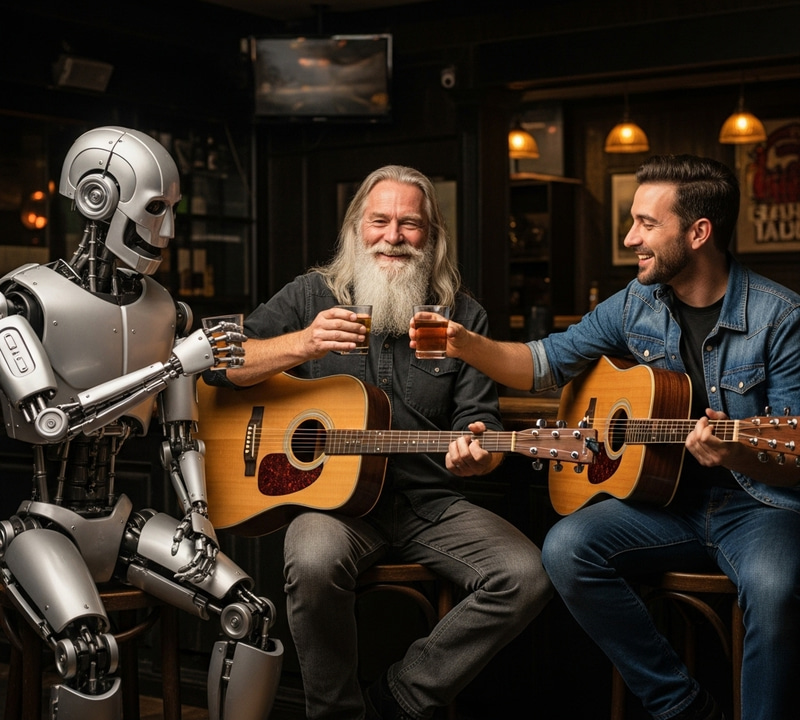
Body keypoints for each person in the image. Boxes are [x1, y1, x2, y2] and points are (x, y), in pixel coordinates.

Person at [420, 154, 800, 720]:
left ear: (698, 233)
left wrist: (737, 449)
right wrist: (463, 343)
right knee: (567, 548)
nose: (630, 238)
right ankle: (682, 705)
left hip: (757, 507)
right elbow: (541, 363)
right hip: (665, 505)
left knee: (774, 590)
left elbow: (794, 458)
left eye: (647, 224)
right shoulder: (635, 302)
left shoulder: (780, 316)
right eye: (632, 221)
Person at [213, 164, 552, 720]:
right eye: (380, 221)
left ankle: (400, 699)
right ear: (355, 228)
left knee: (527, 574)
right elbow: (220, 366)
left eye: (410, 224)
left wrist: (479, 453)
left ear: (432, 236)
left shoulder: (463, 316)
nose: (393, 236)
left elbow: (480, 427)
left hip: (430, 504)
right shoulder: (309, 295)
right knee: (313, 555)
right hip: (334, 506)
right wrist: (302, 343)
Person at [0, 127, 283, 720]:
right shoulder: (23, 301)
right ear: (98, 198)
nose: (168, 231)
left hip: (123, 522)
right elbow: (51, 421)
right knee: (90, 652)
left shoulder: (166, 310)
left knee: (251, 612)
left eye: (172, 211)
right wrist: (176, 364)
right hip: (42, 527)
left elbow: (181, 435)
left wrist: (200, 515)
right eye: (155, 209)